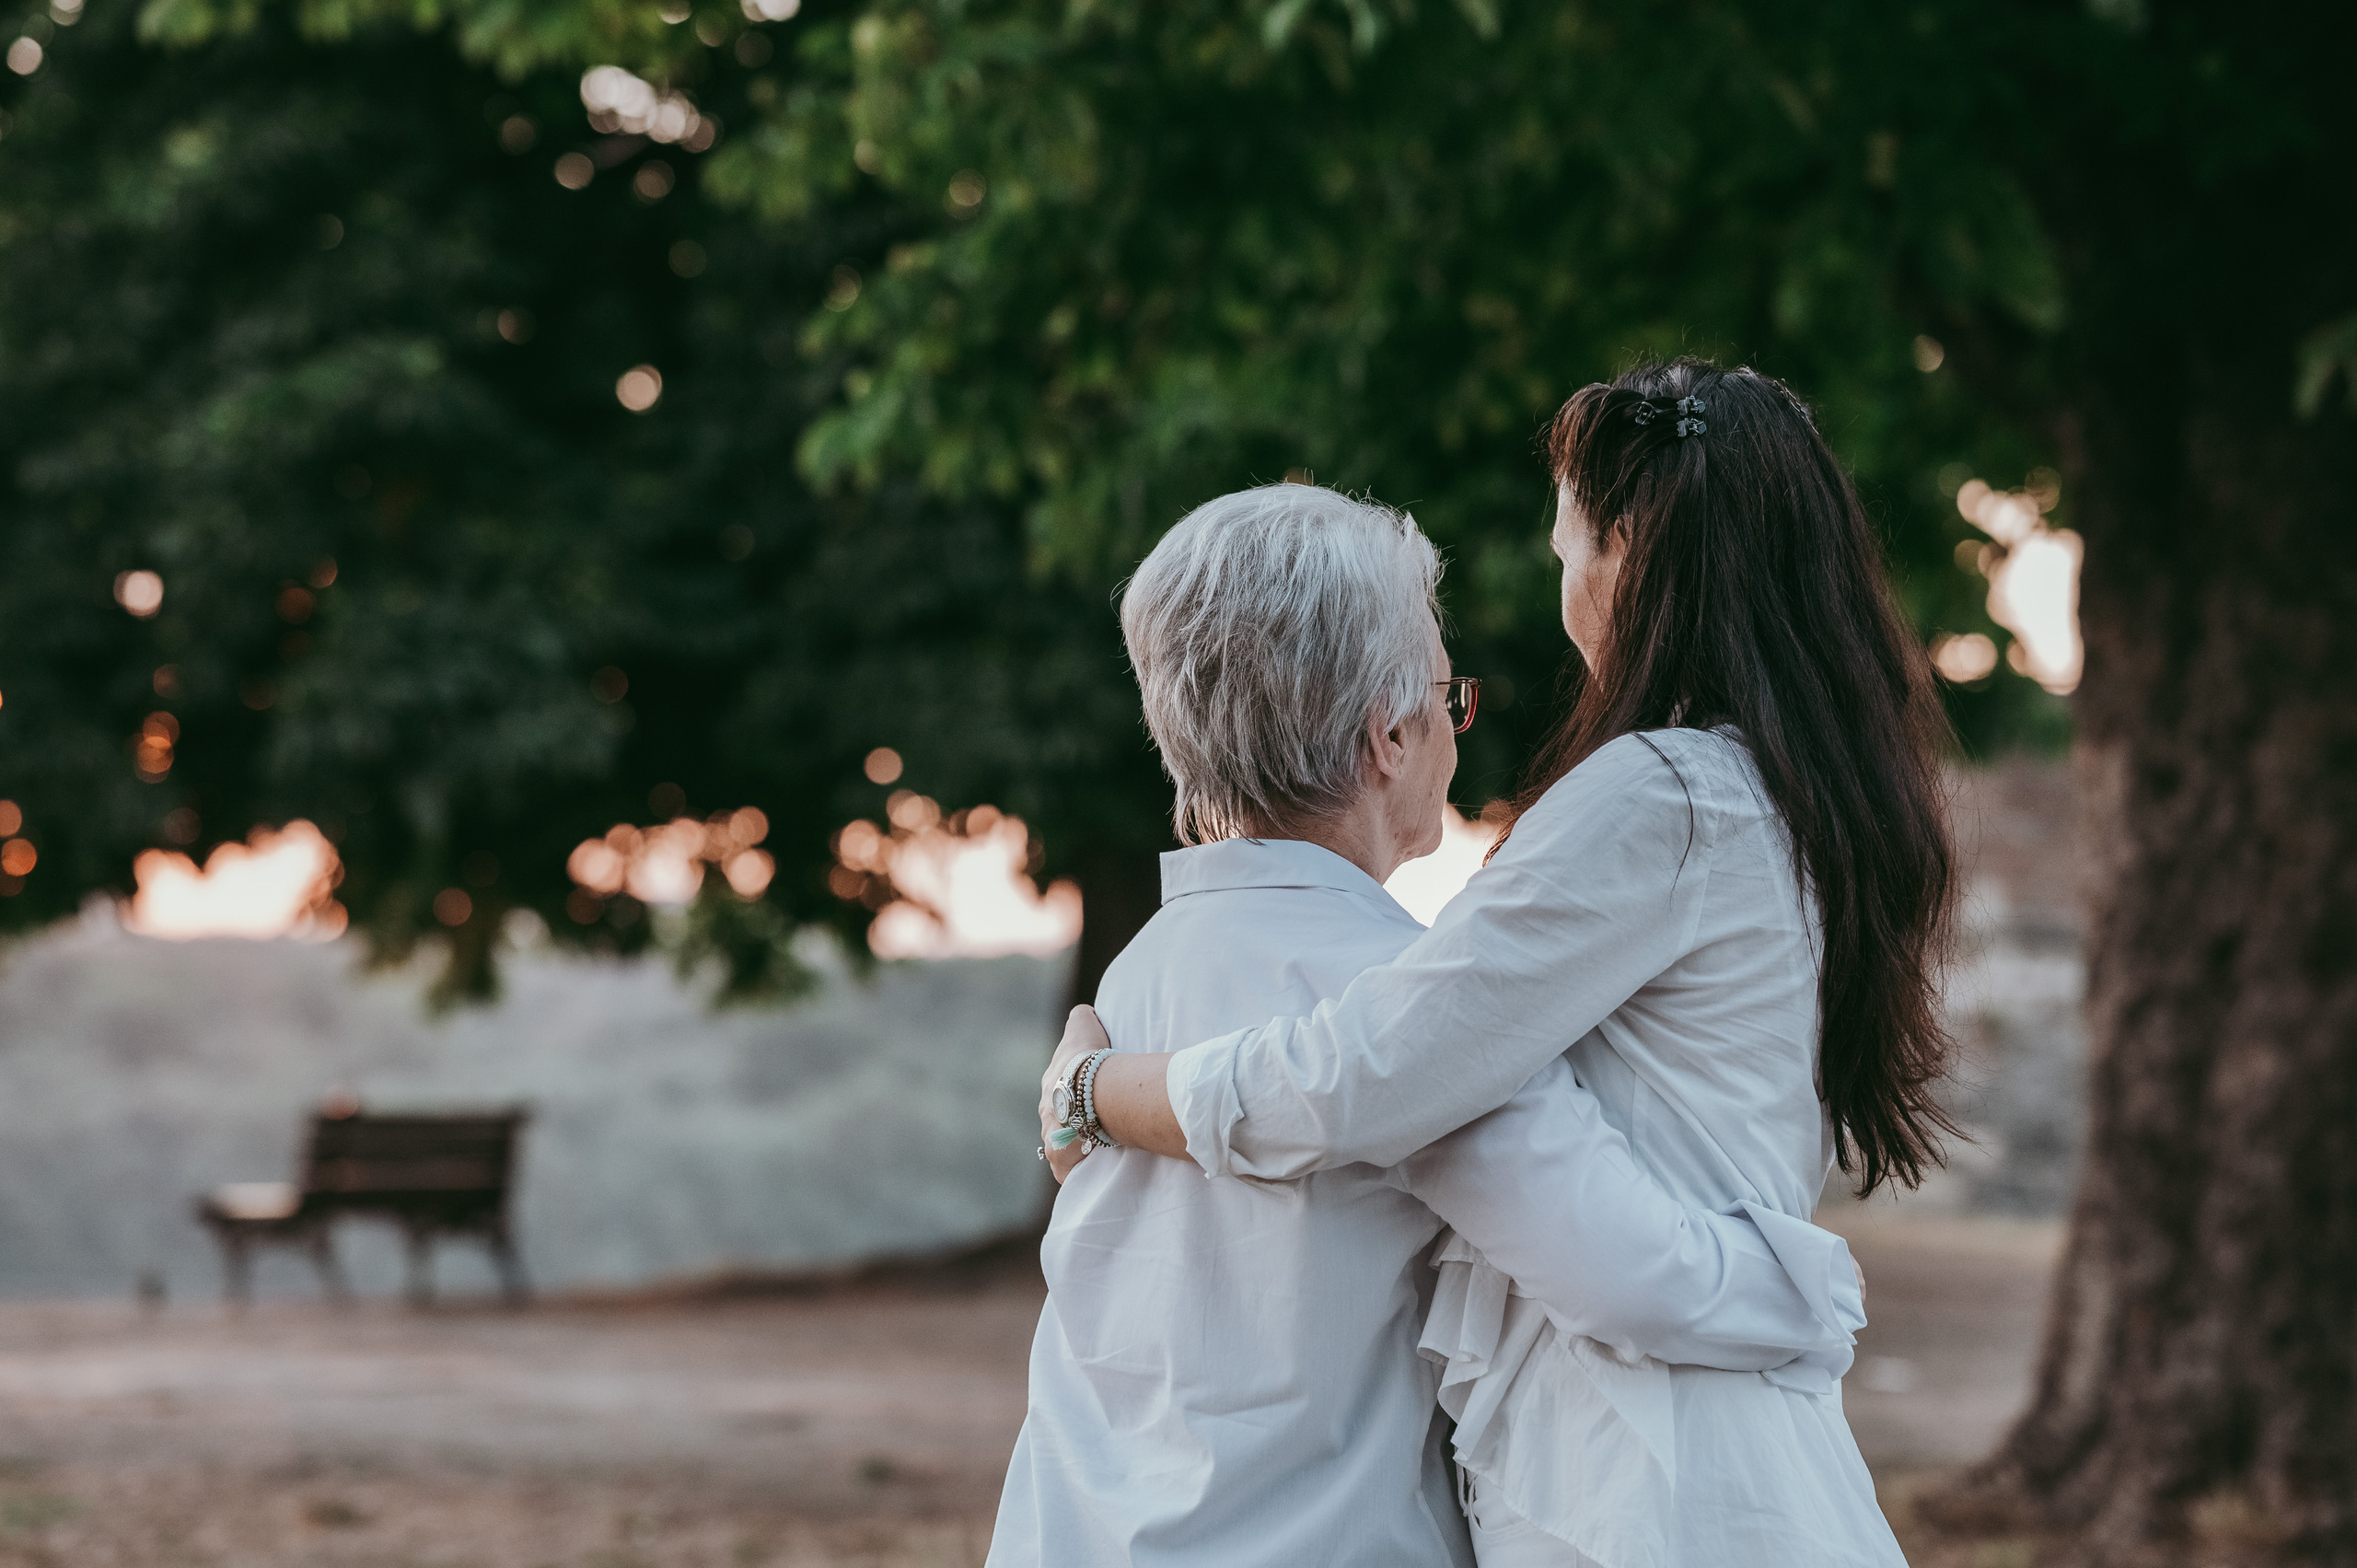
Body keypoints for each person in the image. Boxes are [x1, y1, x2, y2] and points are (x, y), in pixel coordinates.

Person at [1043, 361, 1955, 1566]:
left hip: (1642, 1493)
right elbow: (1410, 1093)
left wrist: (1090, 1089)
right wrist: (1802, 1296)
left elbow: (1375, 1074)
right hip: (1659, 1485)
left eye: (1565, 546)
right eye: (1448, 693)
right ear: (1389, 735)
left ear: (1627, 553)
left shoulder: (1143, 981)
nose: (1559, 580)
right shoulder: (1746, 801)